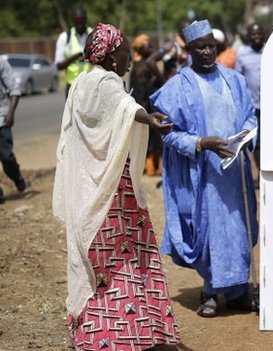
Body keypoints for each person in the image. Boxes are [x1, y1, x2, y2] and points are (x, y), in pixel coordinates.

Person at [52, 23, 180, 349]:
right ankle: (125, 335)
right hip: (115, 197)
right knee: (125, 263)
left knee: (96, 265)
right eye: (124, 50)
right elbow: (126, 108)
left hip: (89, 192)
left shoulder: (80, 83)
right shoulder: (108, 83)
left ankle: (94, 334)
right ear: (111, 56)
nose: (129, 57)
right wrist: (150, 119)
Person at [150, 19, 259, 318]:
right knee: (208, 232)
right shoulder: (177, 86)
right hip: (201, 176)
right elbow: (167, 133)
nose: (209, 52)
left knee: (238, 230)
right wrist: (201, 143)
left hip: (234, 174)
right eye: (201, 48)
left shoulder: (234, 80)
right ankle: (210, 291)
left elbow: (250, 117)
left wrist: (245, 137)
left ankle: (239, 292)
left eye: (212, 46)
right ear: (189, 50)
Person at [129, 33, 165, 177]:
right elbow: (139, 91)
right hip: (144, 107)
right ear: (140, 49)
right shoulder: (141, 67)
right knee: (149, 138)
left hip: (149, 105)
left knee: (154, 138)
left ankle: (154, 166)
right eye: (147, 45)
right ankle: (149, 168)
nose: (150, 47)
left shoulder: (144, 64)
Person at [0, 56, 28, 204]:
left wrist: (10, 113)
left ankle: (17, 179)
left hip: (2, 118)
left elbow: (14, 90)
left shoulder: (1, 63)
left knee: (6, 157)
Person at [235, 23, 264, 167]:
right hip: (253, 106)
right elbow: (239, 80)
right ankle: (261, 173)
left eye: (259, 33)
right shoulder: (242, 54)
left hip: (272, 106)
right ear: (248, 36)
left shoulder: (271, 50)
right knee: (257, 141)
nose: (257, 37)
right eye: (253, 34)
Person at [54, 6, 92, 97]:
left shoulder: (95, 34)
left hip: (92, 85)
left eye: (82, 23)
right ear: (73, 21)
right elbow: (59, 66)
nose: (80, 26)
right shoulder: (65, 37)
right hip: (72, 86)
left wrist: (89, 57)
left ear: (86, 20)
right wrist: (75, 57)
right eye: (77, 23)